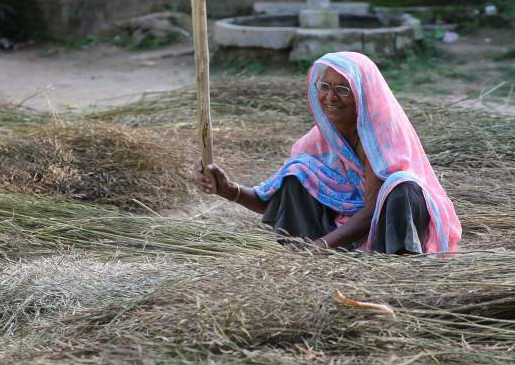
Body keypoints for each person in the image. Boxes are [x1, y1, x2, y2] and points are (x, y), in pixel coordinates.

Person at [197, 51, 461, 254]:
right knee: (297, 173)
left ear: (362, 95)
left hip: (385, 236)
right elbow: (274, 200)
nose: (331, 97)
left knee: (401, 186)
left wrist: (321, 247)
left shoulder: (385, 136)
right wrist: (229, 190)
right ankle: (307, 253)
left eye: (343, 90)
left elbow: (372, 210)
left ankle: (394, 264)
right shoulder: (318, 141)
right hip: (335, 241)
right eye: (325, 87)